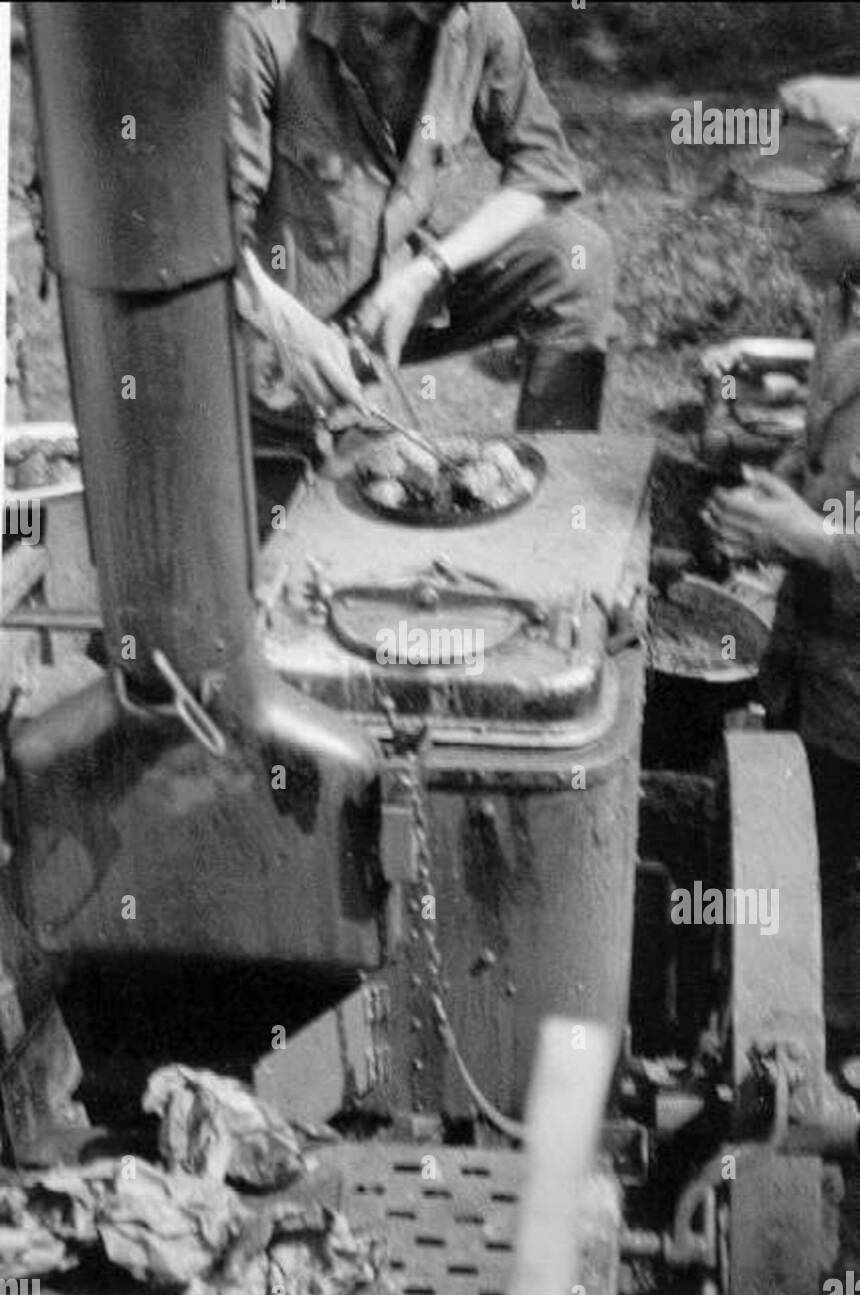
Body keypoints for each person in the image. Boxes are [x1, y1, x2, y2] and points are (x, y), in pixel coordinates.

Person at [227, 1, 614, 446]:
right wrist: (286, 327)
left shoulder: (477, 18)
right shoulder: (261, 29)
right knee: (326, 489)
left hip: (394, 301)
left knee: (577, 259)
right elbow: (214, 239)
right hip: (277, 325)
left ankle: (557, 503)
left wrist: (428, 270)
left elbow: (544, 170)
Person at [703, 77, 860, 1058]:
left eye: (806, 211)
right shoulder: (841, 311)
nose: (783, 227)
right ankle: (822, 1021)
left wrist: (811, 540)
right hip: (825, 676)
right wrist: (777, 494)